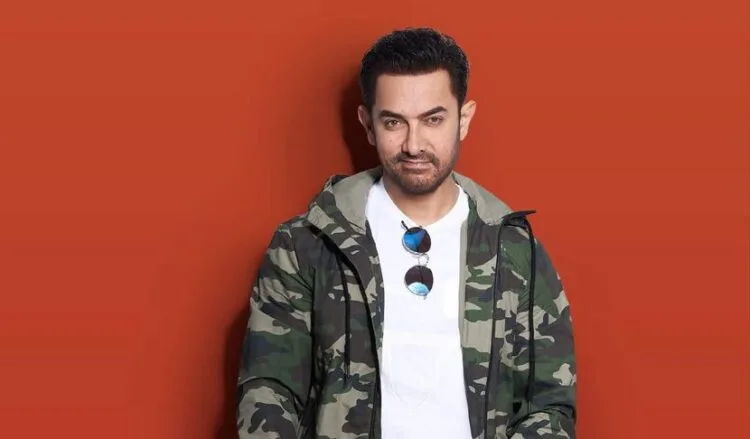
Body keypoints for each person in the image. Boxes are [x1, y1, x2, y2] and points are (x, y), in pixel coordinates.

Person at [236, 27, 576, 439]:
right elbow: (268, 391)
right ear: (367, 124)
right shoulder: (305, 245)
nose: (414, 145)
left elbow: (550, 403)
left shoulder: (516, 250)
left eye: (433, 119)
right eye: (394, 122)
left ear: (464, 119)